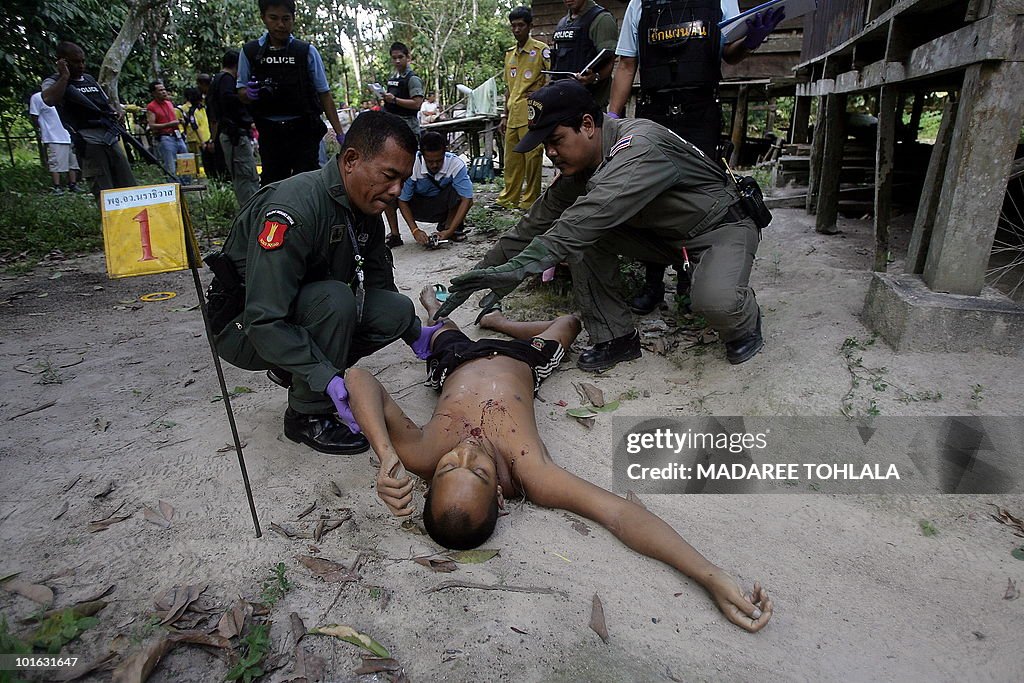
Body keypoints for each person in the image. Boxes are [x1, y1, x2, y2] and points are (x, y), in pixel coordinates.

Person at [346, 286, 773, 633]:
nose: (465, 451)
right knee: (569, 323)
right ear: (498, 495)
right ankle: (497, 323)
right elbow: (620, 515)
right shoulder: (532, 472)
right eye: (477, 471)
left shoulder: (422, 454)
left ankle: (443, 307)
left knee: (440, 327)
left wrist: (386, 456)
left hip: (455, 360)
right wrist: (711, 575)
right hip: (522, 361)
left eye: (447, 466)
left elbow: (358, 378)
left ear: (431, 477)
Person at [435, 80, 764, 370]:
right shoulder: (581, 168)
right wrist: (479, 275)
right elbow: (531, 226)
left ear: (588, 125)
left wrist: (522, 267)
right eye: (545, 147)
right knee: (582, 237)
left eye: (556, 140)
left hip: (720, 228)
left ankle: (743, 320)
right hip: (666, 239)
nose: (551, 153)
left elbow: (587, 217)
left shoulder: (639, 145)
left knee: (717, 303)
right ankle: (616, 336)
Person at [207, 111, 444, 455]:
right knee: (334, 300)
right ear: (350, 160)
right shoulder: (293, 209)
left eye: (403, 180)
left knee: (396, 310)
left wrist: (414, 333)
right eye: (389, 176)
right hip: (243, 327)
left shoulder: (365, 207)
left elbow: (379, 286)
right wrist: (324, 376)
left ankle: (298, 368)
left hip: (295, 312)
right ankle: (306, 415)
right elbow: (264, 319)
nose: (397, 191)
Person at [609, 0, 786, 314]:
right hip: (654, 114)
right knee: (650, 196)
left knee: (697, 199)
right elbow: (626, 65)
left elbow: (729, 52)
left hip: (701, 113)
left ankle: (688, 283)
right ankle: (652, 285)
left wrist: (752, 41)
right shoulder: (640, 3)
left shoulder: (720, 0)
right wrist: (612, 118)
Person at [238, 0, 347, 185]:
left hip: (304, 130)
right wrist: (249, 94)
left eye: (286, 19)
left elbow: (324, 94)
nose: (280, 24)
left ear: (293, 19)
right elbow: (241, 90)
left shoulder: (306, 52)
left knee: (308, 184)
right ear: (263, 18)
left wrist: (340, 134)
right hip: (270, 133)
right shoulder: (250, 52)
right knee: (272, 185)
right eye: (274, 18)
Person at [41, 41, 137, 197]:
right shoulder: (53, 82)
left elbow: (105, 104)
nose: (81, 65)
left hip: (110, 138)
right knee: (105, 193)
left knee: (128, 186)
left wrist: (116, 113)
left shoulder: (89, 80)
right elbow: (49, 99)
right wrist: (64, 76)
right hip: (89, 142)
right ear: (62, 61)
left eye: (82, 61)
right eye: (75, 62)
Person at [494, 6, 549, 212]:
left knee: (533, 156)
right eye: (513, 26)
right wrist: (504, 116)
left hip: (533, 110)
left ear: (530, 26)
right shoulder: (510, 55)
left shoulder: (541, 50)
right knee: (511, 158)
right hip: (513, 112)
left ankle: (530, 200)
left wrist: (542, 97)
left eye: (521, 25)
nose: (517, 29)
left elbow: (551, 78)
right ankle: (508, 198)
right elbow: (508, 87)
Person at [386, 132, 473, 247]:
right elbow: (403, 200)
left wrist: (450, 230)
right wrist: (415, 230)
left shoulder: (456, 165)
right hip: (417, 207)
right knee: (389, 193)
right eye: (430, 161)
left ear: (445, 152)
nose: (435, 165)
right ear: (422, 155)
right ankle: (395, 235)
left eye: (439, 160)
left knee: (460, 192)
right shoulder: (412, 164)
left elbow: (467, 200)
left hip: (441, 206)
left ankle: (449, 228)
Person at [207, 49, 260, 204]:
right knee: (246, 175)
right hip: (235, 136)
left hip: (229, 135)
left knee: (241, 176)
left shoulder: (217, 81)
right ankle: (252, 211)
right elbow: (232, 105)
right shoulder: (227, 81)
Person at [549, 0, 619, 108]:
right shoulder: (563, 23)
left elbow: (609, 59)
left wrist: (595, 77)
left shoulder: (602, 19)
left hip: (591, 104)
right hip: (564, 102)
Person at [28, 91, 83, 195]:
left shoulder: (63, 96)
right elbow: (34, 116)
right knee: (55, 163)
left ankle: (73, 184)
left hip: (68, 135)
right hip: (53, 136)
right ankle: (56, 186)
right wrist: (42, 129)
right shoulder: (38, 97)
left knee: (73, 163)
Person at [382, 42, 424, 137]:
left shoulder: (413, 79)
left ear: (408, 57)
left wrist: (394, 100)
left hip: (408, 126)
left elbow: (417, 104)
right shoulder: (393, 78)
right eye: (394, 58)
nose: (397, 61)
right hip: (393, 126)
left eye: (400, 57)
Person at [146, 81, 188, 176]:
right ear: (154, 93)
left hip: (177, 135)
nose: (164, 92)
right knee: (170, 165)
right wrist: (169, 124)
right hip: (165, 137)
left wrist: (180, 121)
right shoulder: (151, 107)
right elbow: (152, 125)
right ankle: (172, 186)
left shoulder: (169, 103)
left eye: (164, 89)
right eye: (160, 90)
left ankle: (187, 184)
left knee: (186, 161)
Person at [178, 87, 213, 175]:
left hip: (208, 137)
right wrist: (202, 141)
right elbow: (195, 126)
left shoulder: (203, 108)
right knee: (198, 159)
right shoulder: (192, 111)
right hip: (198, 139)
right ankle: (197, 175)